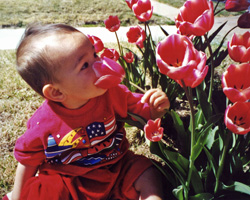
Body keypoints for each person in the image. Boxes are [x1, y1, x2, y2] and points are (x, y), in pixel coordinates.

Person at [5, 23, 170, 200]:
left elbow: (143, 112)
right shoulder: (43, 123)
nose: (99, 64)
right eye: (85, 65)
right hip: (70, 179)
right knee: (46, 191)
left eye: (95, 55)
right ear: (57, 92)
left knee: (147, 171)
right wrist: (17, 197)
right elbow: (27, 161)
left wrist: (156, 109)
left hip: (116, 166)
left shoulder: (114, 93)